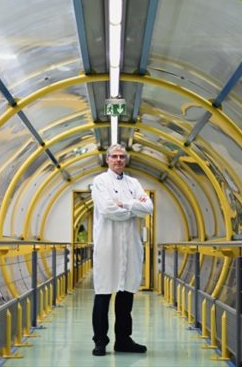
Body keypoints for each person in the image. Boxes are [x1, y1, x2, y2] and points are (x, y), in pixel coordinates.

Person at [90, 144, 153, 356]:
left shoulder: (133, 183)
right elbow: (108, 209)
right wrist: (133, 208)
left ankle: (123, 340)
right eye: (114, 156)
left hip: (130, 248)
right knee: (103, 294)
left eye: (121, 156)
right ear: (107, 159)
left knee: (126, 296)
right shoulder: (100, 182)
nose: (118, 159)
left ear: (126, 160)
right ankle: (100, 341)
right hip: (108, 247)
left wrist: (124, 203)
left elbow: (149, 208)